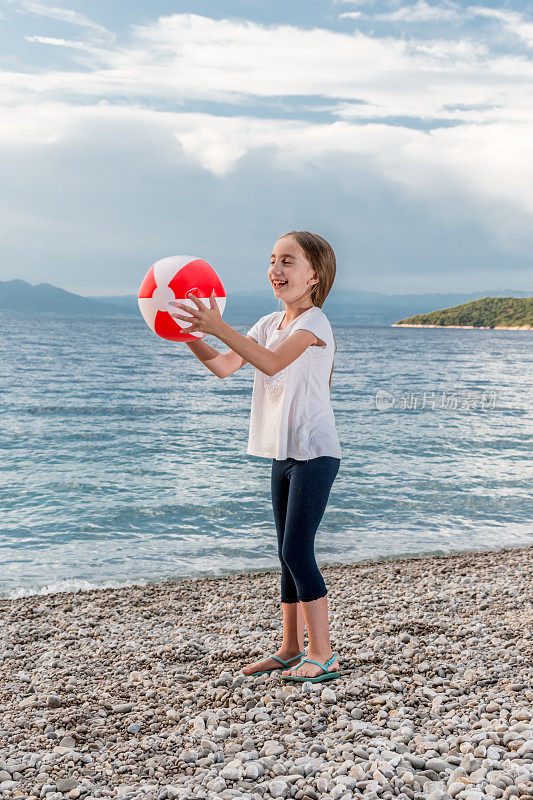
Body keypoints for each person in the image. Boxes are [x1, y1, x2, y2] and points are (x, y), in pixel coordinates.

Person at [169, 230, 342, 684]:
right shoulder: (267, 324)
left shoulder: (315, 323)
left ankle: (322, 653)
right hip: (282, 452)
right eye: (272, 260)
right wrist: (187, 333)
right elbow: (227, 365)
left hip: (315, 451)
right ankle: (289, 648)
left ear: (314, 277)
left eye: (288, 261)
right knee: (285, 555)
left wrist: (217, 325)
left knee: (296, 549)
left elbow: (270, 363)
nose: (276, 269)